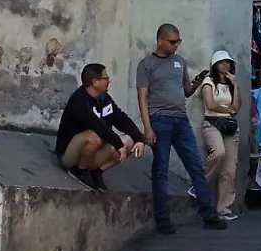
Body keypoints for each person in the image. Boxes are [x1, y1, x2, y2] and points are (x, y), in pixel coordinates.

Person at [136, 23, 227, 234]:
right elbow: (142, 98)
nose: (176, 45)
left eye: (179, 41)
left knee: (196, 166)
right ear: (160, 41)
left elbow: (186, 91)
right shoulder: (146, 65)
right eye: (172, 41)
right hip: (159, 120)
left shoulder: (179, 61)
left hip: (181, 121)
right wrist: (147, 127)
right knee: (161, 170)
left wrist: (197, 82)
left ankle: (209, 215)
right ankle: (162, 218)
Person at [54, 63, 146, 191]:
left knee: (129, 141)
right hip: (69, 155)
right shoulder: (79, 101)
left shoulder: (104, 98)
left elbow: (120, 118)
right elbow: (98, 127)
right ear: (95, 82)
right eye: (106, 78)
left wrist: (140, 139)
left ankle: (96, 171)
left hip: (93, 151)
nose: (109, 81)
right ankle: (79, 170)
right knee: (93, 136)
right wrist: (119, 146)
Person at [199, 50, 241, 221]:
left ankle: (224, 207)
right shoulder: (209, 81)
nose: (226, 65)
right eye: (222, 62)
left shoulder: (231, 83)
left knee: (230, 168)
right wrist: (226, 109)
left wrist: (236, 85)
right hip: (212, 122)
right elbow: (210, 103)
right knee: (219, 152)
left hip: (229, 126)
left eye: (228, 62)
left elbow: (237, 107)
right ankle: (199, 182)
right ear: (215, 64)